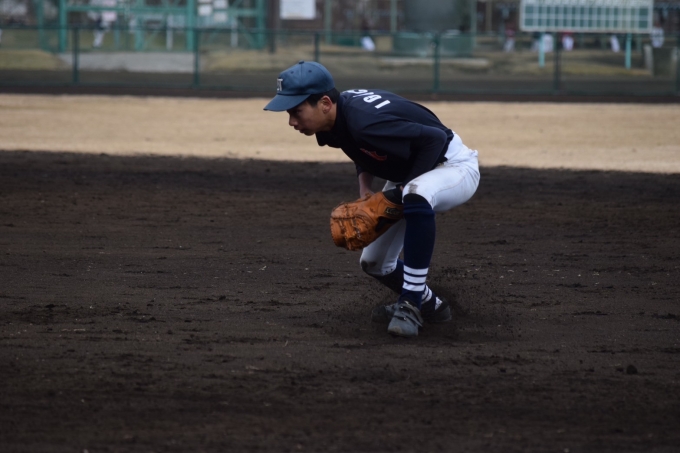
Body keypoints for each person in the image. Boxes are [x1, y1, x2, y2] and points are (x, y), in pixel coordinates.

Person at [264, 61, 480, 337]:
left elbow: (435, 139)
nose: (292, 121)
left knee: (415, 193)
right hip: (415, 170)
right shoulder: (338, 118)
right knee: (375, 263)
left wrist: (401, 191)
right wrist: (365, 188)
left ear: (325, 103)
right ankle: (433, 306)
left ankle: (410, 304)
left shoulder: (364, 120)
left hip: (452, 166)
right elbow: (362, 149)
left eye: (296, 111)